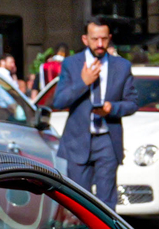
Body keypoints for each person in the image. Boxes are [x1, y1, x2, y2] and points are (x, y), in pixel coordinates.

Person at [47, 16, 135, 206]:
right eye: (95, 39)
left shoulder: (122, 66)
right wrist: (83, 82)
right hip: (78, 139)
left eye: (104, 38)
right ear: (85, 39)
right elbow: (60, 101)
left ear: (109, 37)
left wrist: (113, 108)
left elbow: (132, 103)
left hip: (107, 140)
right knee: (80, 204)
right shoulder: (71, 64)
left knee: (106, 203)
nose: (100, 44)